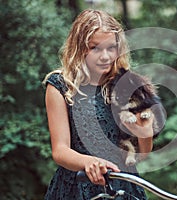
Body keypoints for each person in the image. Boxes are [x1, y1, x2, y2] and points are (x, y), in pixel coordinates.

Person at [43, 9, 155, 200]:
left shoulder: (128, 84)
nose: (105, 56)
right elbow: (60, 150)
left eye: (111, 48)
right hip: (77, 185)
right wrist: (89, 162)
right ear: (79, 47)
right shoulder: (60, 85)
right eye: (95, 48)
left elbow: (141, 154)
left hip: (123, 184)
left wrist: (145, 131)